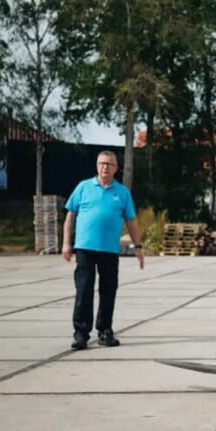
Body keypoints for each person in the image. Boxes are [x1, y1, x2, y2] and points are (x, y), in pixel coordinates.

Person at [62, 150, 144, 349]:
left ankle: (105, 331)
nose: (105, 167)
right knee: (84, 290)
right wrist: (66, 243)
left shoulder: (122, 193)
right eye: (101, 163)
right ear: (97, 166)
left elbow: (131, 221)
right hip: (84, 248)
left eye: (109, 164)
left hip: (109, 250)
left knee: (108, 291)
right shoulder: (83, 187)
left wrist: (138, 247)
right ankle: (81, 333)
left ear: (116, 168)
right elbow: (70, 217)